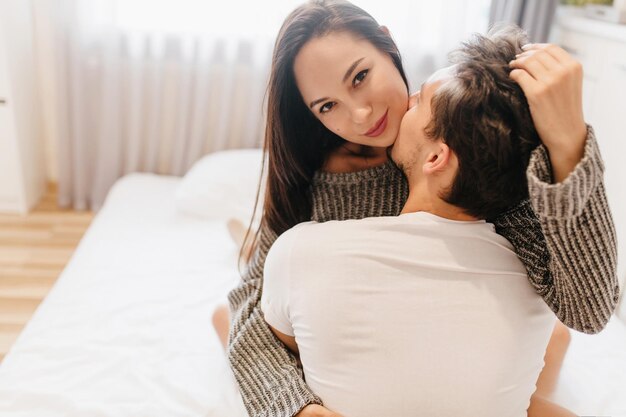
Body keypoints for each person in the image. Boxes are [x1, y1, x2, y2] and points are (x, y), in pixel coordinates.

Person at [216, 1, 618, 416]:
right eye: (327, 106)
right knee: (229, 314)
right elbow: (249, 309)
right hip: (327, 316)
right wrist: (300, 409)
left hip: (450, 351)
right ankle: (247, 245)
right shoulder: (312, 185)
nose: (360, 114)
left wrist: (570, 146)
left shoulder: (464, 145)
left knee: (554, 340)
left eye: (360, 77)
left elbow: (589, 308)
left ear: (387, 44)